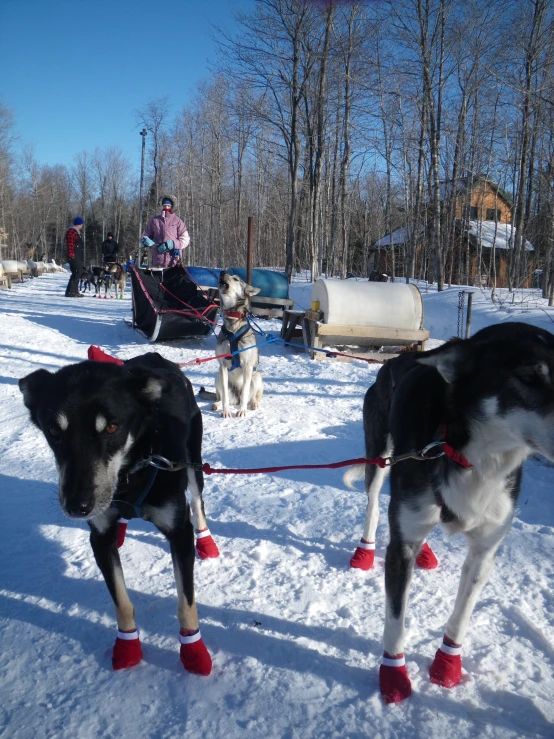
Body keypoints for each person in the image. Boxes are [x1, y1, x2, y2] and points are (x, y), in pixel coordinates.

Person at [140, 196, 190, 267]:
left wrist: (173, 244)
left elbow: (185, 240)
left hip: (174, 262)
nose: (166, 207)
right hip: (157, 262)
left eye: (168, 205)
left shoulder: (178, 221)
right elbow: (144, 236)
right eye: (164, 205)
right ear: (162, 206)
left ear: (172, 206)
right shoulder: (154, 221)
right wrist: (146, 241)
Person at [65, 217, 85, 297]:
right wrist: (71, 255)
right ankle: (72, 292)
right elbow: (70, 244)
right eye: (81, 224)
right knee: (77, 272)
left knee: (76, 273)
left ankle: (71, 291)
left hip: (77, 256)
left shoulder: (76, 232)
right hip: (74, 256)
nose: (82, 226)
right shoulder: (72, 232)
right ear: (79, 224)